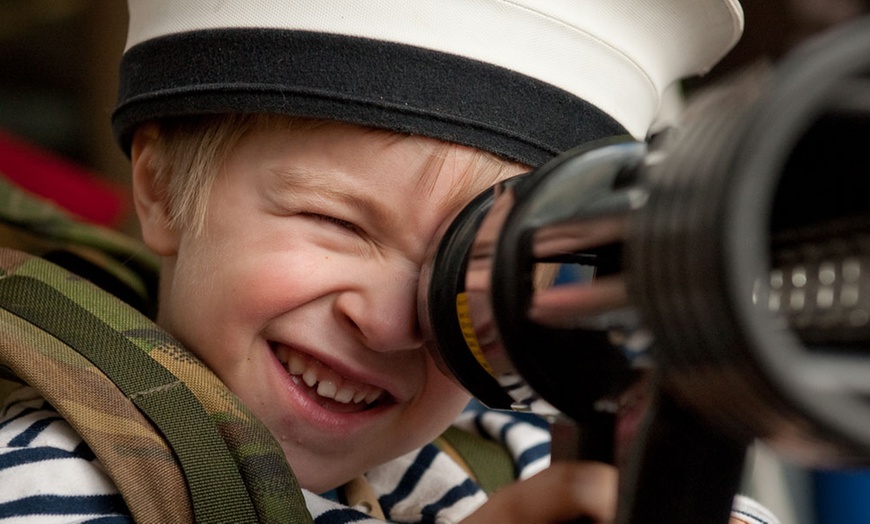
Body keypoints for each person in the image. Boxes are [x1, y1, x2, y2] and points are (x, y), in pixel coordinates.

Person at [0, 1, 778, 522]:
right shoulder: (52, 481)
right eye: (336, 221)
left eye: (471, 270)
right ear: (162, 188)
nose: (391, 323)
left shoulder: (506, 448)